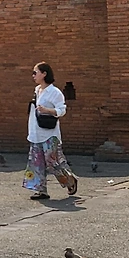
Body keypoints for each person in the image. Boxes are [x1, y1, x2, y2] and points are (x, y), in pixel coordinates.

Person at [24, 61, 78, 200]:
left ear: (44, 74)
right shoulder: (37, 90)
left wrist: (47, 110)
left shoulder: (54, 92)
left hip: (49, 134)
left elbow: (62, 110)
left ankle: (70, 180)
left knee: (52, 162)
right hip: (36, 132)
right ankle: (41, 190)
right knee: (36, 162)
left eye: (35, 72)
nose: (33, 75)